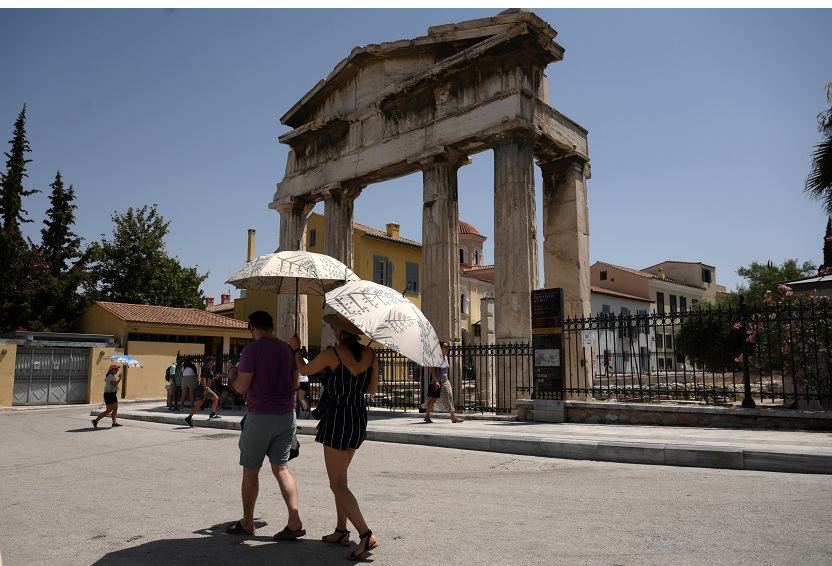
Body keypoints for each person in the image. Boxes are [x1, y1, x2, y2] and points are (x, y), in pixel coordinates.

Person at [290, 312, 380, 560]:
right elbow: (372, 389)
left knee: (337, 484)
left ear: (340, 332)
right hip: (358, 416)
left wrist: (297, 350)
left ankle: (365, 534)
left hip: (338, 416)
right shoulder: (372, 354)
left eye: (334, 329)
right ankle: (342, 531)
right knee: (342, 480)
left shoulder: (334, 353)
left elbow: (305, 369)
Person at [226, 310, 305, 541]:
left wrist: (232, 372)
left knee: (251, 470)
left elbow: (241, 387)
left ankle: (248, 522)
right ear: (272, 326)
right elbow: (294, 383)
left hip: (261, 415)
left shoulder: (251, 350)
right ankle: (294, 520)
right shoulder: (286, 349)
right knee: (281, 468)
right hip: (287, 415)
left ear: (252, 327)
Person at [424, 342, 464, 424]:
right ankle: (427, 415)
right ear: (440, 348)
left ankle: (453, 417)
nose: (447, 348)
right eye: (446, 347)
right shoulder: (436, 357)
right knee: (433, 399)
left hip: (445, 381)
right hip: (438, 381)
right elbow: (432, 370)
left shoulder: (445, 357)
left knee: (449, 396)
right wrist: (436, 382)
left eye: (447, 347)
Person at [184, 356, 222, 426]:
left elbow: (210, 379)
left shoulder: (209, 369)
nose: (214, 362)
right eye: (213, 361)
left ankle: (189, 417)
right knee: (216, 398)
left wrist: (215, 378)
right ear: (210, 361)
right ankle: (212, 414)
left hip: (205, 388)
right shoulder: (206, 368)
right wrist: (206, 388)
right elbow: (203, 378)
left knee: (199, 403)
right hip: (204, 389)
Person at [92, 364, 123, 428]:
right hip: (109, 395)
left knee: (115, 408)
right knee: (109, 410)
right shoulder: (110, 376)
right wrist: (120, 378)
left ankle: (114, 423)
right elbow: (114, 385)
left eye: (117, 369)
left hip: (113, 394)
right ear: (111, 370)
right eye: (115, 369)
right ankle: (95, 420)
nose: (117, 370)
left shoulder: (112, 376)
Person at [296, 347, 311, 419]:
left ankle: (295, 413)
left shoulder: (296, 361)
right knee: (301, 398)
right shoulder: (305, 360)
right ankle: (306, 410)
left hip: (298, 380)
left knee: (295, 398)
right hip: (305, 380)